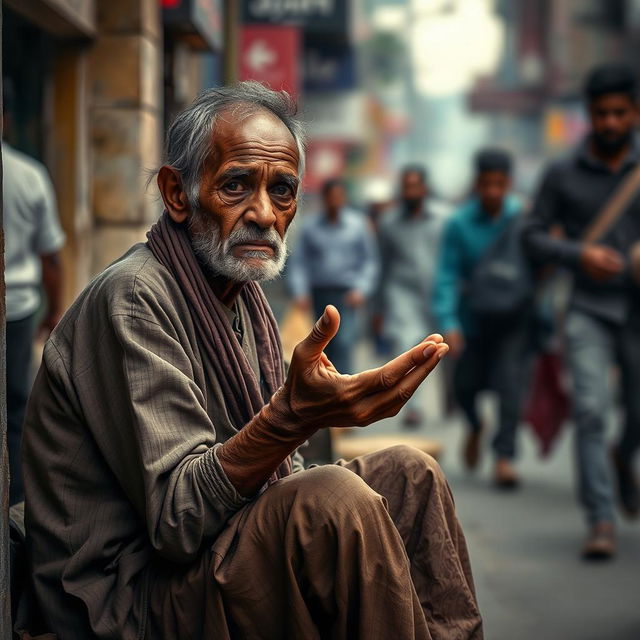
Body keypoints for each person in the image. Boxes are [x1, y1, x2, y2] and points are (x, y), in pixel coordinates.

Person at [21, 83, 482, 640]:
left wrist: (307, 415)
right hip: (127, 596)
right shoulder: (135, 296)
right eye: (236, 185)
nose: (263, 214)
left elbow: (259, 479)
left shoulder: (239, 296)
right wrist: (291, 418)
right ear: (177, 193)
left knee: (411, 476)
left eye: (282, 191)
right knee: (335, 505)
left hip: (203, 554)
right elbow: (177, 521)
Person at [523, 63, 640, 560]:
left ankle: (624, 454)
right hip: (587, 308)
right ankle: (601, 519)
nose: (610, 122)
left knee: (635, 412)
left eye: (619, 113)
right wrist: (579, 255)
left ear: (633, 112)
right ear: (589, 116)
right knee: (591, 410)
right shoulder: (561, 174)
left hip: (637, 310)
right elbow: (530, 236)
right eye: (601, 114)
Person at [432, 149, 529, 488]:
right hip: (472, 320)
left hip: (513, 320)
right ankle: (474, 425)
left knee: (510, 387)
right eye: (486, 184)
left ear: (508, 184)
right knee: (464, 388)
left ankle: (504, 457)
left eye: (499, 184)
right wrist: (450, 323)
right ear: (477, 184)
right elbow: (446, 274)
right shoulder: (459, 224)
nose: (492, 192)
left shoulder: (523, 218)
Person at [3, 82, 65, 506]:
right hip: (18, 310)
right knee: (15, 411)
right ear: (6, 119)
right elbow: (51, 260)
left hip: (20, 309)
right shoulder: (28, 176)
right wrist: (53, 312)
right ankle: (16, 503)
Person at [375, 165, 448, 427]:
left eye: (415, 186)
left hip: (438, 293)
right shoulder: (389, 223)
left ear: (424, 189)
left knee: (443, 347)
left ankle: (450, 397)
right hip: (402, 294)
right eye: (406, 186)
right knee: (409, 345)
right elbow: (382, 265)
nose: (410, 191)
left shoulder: (444, 219)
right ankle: (412, 407)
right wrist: (378, 308)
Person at [287, 178, 378, 374]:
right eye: (331, 197)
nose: (335, 201)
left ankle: (344, 387)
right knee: (321, 343)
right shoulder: (311, 227)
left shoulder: (357, 225)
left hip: (346, 294)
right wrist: (300, 291)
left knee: (344, 342)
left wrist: (361, 289)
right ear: (325, 199)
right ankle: (325, 387)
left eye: (339, 197)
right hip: (319, 293)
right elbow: (300, 262)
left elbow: (369, 261)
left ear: (344, 198)